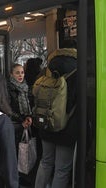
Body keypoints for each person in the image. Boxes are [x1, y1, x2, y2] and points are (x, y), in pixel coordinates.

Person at [35, 48, 77, 188]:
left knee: (46, 162)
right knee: (61, 170)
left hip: (46, 126)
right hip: (67, 129)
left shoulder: (47, 70)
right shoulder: (78, 71)